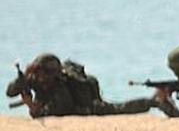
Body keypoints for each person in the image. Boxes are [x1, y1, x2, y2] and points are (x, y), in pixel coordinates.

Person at [6, 53, 160, 118]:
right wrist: (22, 80)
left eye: (41, 74)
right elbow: (10, 92)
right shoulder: (36, 79)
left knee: (120, 109)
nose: (39, 78)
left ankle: (153, 102)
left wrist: (33, 107)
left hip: (89, 108)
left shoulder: (61, 87)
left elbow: (56, 112)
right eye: (37, 74)